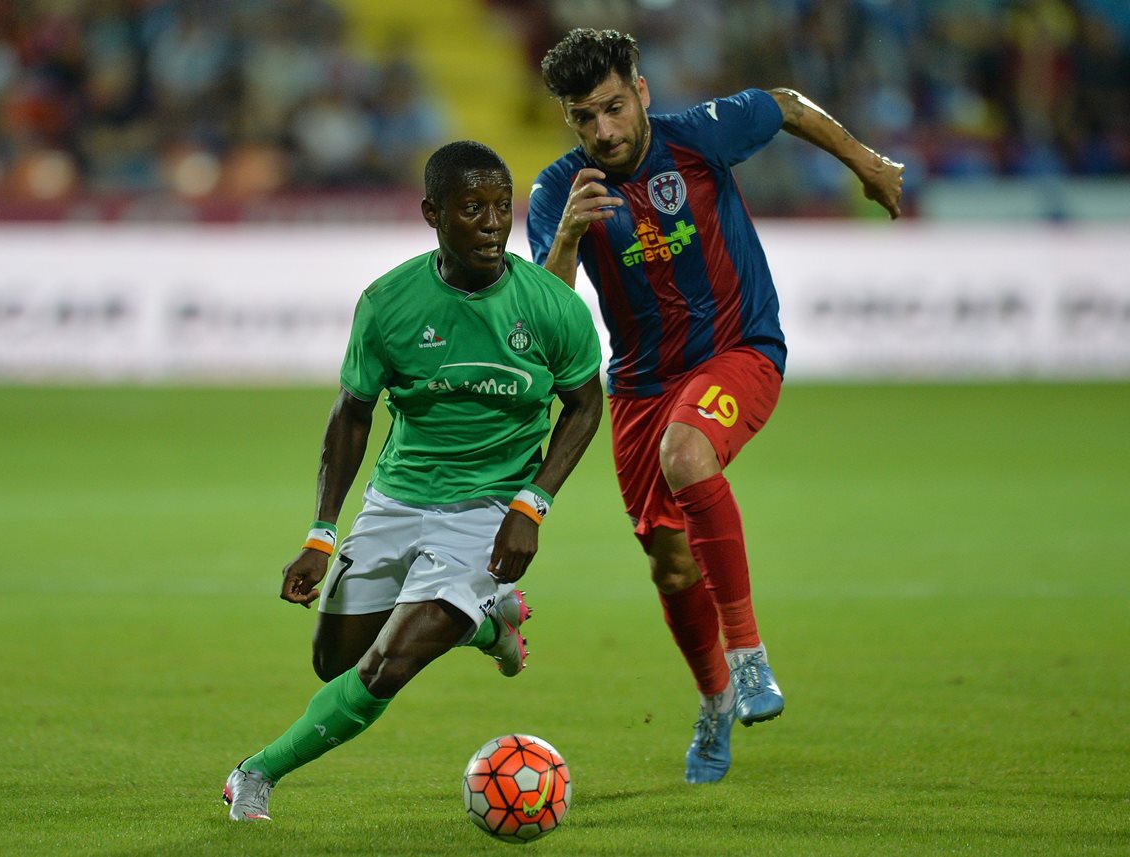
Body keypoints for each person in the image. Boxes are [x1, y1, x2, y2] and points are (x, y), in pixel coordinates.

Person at [526, 28, 904, 784]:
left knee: (688, 451)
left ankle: (750, 655)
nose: (602, 130)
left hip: (739, 351)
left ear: (640, 91)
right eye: (582, 117)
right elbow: (550, 322)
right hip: (638, 385)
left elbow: (786, 104)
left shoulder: (700, 138)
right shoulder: (558, 192)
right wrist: (567, 235)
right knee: (669, 566)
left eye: (611, 107)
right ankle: (714, 698)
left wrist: (867, 162)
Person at [223, 140, 603, 821]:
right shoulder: (389, 303)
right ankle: (487, 627)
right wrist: (319, 532)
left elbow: (585, 404)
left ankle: (254, 773)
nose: (491, 223)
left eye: (500, 207)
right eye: (471, 208)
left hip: (490, 511)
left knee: (384, 668)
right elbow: (351, 415)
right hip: (397, 498)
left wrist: (532, 502)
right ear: (432, 212)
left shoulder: (552, 307)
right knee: (336, 664)